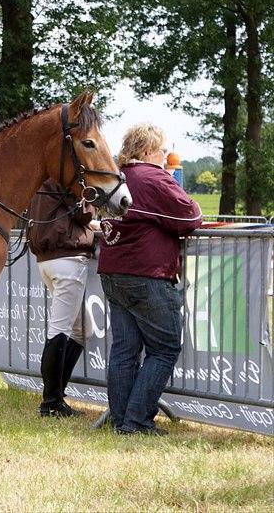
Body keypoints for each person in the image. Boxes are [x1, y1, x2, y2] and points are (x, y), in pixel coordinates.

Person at [98, 123, 202, 435]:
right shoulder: (152, 177)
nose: (164, 155)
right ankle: (136, 421)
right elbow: (190, 217)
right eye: (161, 150)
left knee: (124, 350)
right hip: (148, 273)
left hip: (113, 270)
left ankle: (121, 420)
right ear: (146, 152)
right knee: (165, 348)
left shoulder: (114, 177)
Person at [28, 179, 97, 417]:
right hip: (68, 259)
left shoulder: (42, 179)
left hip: (48, 259)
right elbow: (83, 213)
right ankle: (51, 403)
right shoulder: (67, 178)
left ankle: (57, 393)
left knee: (82, 329)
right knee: (60, 330)